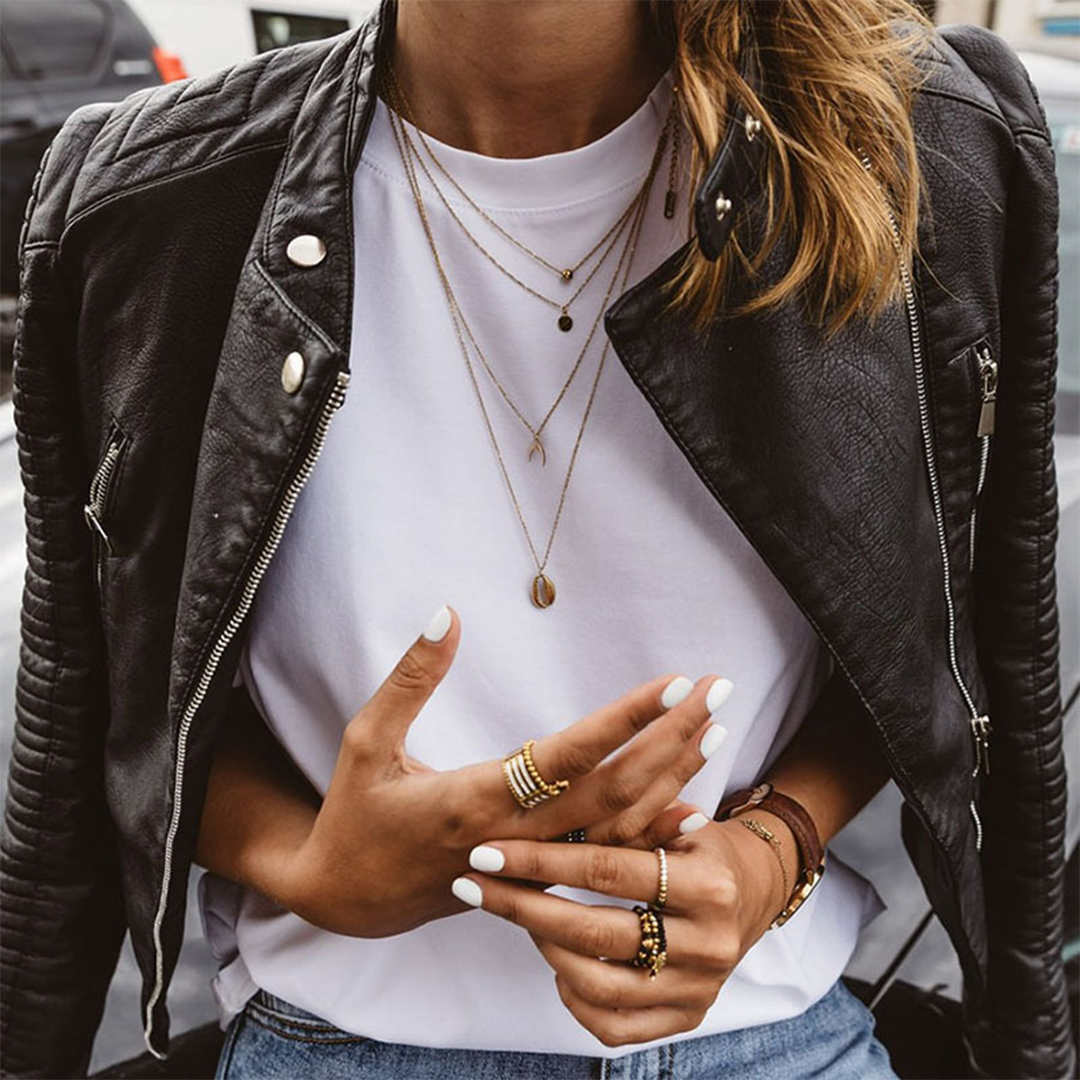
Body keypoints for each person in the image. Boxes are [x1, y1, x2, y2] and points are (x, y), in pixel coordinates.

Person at [0, 0, 1068, 1077]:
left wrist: (776, 843)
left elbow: (951, 632)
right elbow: (112, 696)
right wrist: (304, 862)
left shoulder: (912, 139)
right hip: (338, 1043)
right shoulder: (152, 198)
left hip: (778, 1042)